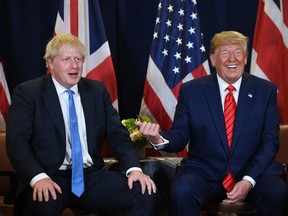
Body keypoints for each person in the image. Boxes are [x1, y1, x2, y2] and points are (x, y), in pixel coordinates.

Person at [136, 31, 288, 216]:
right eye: (224, 53)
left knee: (277, 192)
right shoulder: (192, 91)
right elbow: (179, 137)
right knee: (181, 192)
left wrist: (248, 180)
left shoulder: (265, 91)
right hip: (205, 171)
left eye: (238, 52)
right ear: (213, 59)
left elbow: (270, 141)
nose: (232, 59)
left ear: (246, 58)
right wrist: (157, 137)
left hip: (254, 171)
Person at [6, 34, 156, 216]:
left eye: (78, 59)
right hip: (48, 175)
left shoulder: (96, 91)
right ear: (50, 63)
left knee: (143, 191)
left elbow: (117, 135)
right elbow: (17, 143)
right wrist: (38, 178)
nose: (74, 65)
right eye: (66, 59)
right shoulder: (28, 93)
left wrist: (134, 169)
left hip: (90, 176)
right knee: (44, 203)